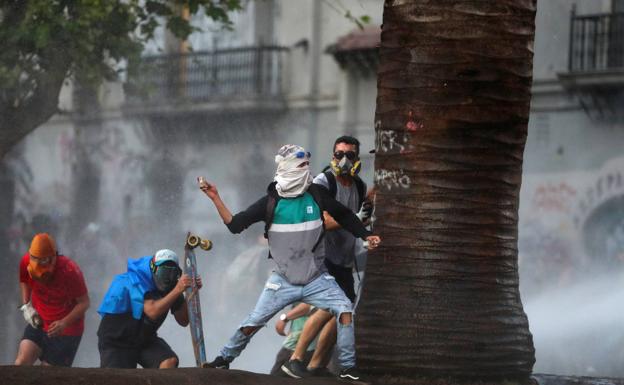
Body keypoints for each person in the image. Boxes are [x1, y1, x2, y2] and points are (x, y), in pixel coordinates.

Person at [198, 144, 381, 382]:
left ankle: (347, 368)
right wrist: (215, 197)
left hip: (317, 278)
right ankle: (223, 359)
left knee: (345, 310)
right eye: (301, 165)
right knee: (253, 322)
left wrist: (366, 236)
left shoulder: (316, 194)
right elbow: (235, 225)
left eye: (308, 165)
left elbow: (345, 215)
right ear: (287, 168)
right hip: (283, 280)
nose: (307, 170)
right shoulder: (271, 202)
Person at [281, 135, 373, 378]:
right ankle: (296, 358)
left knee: (344, 312)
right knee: (327, 306)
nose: (343, 160)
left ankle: (317, 364)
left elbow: (360, 213)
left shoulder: (359, 186)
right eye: (339, 154)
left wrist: (365, 212)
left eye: (349, 155)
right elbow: (323, 220)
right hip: (321, 256)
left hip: (343, 259)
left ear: (356, 159)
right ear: (332, 156)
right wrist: (354, 219)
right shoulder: (323, 182)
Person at [97, 249, 199, 368]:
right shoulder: (135, 279)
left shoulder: (172, 284)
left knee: (168, 362)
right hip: (117, 340)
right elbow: (152, 311)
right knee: (120, 378)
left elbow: (183, 320)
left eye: (172, 273)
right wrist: (177, 289)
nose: (167, 278)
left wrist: (191, 291)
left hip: (143, 338)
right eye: (163, 273)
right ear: (153, 269)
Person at [15, 233, 90, 367]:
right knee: (21, 363)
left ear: (53, 260)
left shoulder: (70, 271)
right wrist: (27, 305)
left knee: (48, 375)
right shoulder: (25, 263)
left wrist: (64, 323)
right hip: (39, 322)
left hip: (67, 331)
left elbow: (84, 303)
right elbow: (24, 281)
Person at [270, 303, 318, 376]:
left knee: (275, 379)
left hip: (298, 349)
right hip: (300, 346)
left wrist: (284, 319)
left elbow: (309, 306)